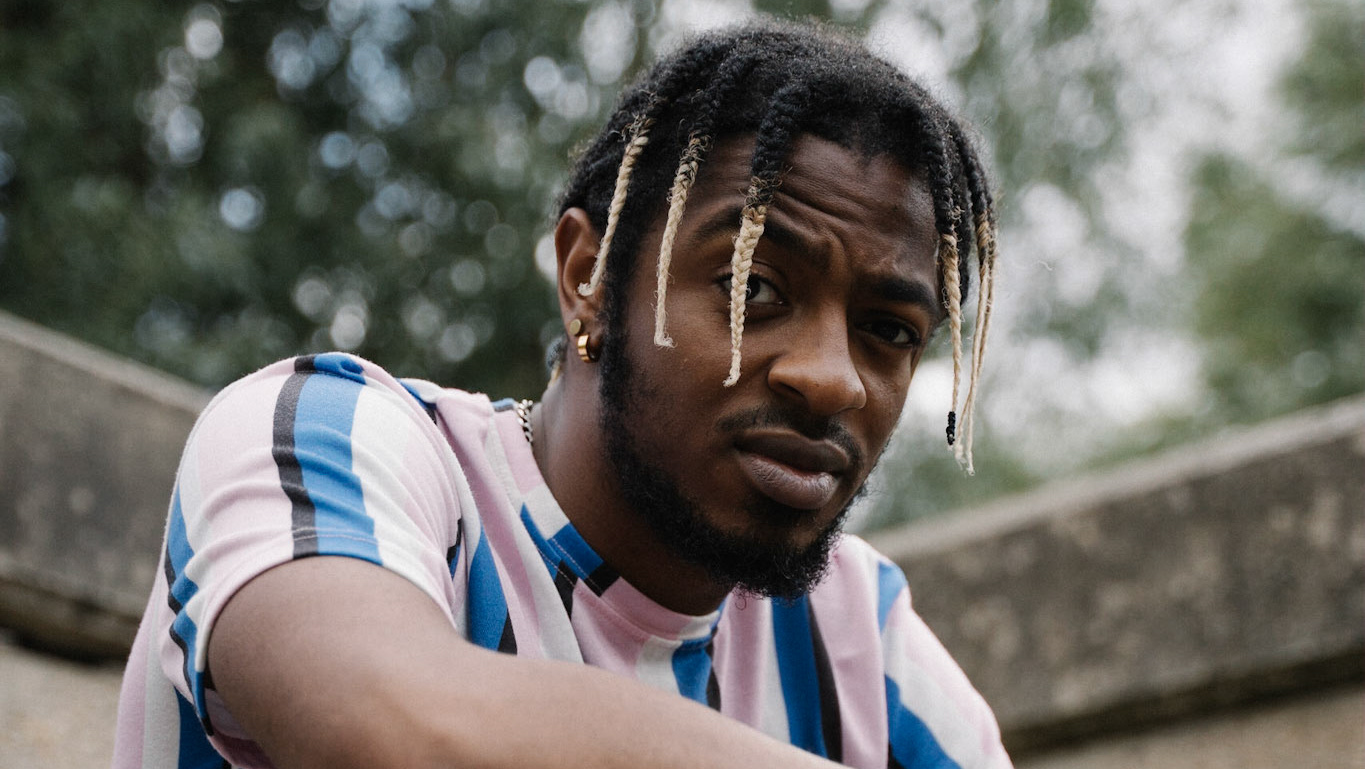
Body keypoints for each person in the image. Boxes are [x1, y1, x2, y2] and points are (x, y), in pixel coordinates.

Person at [113, 18, 1007, 769]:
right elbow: (395, 730)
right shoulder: (328, 438)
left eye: (889, 330)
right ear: (587, 276)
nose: (832, 376)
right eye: (753, 287)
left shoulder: (856, 633)